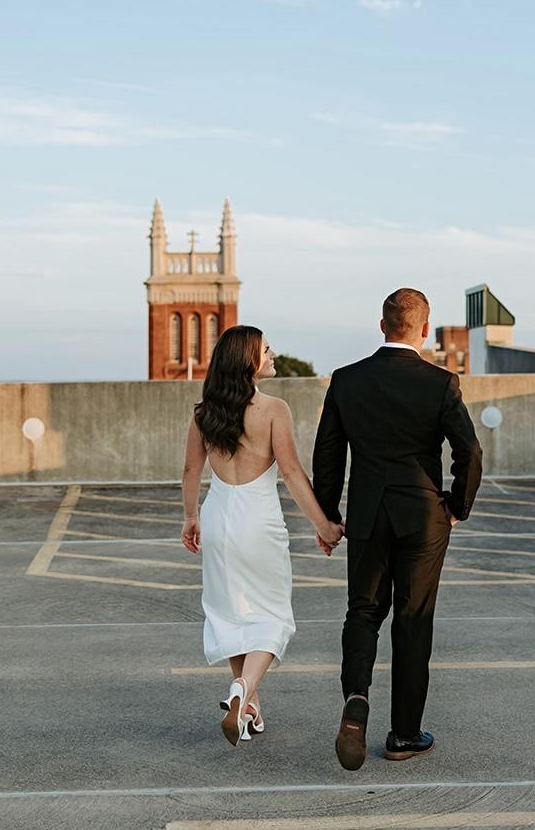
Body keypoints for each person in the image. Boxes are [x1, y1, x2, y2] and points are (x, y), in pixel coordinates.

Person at [313, 288, 482, 770]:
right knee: (413, 619)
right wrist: (457, 507)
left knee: (363, 611)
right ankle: (404, 735)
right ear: (425, 329)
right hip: (422, 517)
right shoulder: (440, 383)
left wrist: (329, 515)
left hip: (368, 514)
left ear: (382, 325)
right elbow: (470, 452)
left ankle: (356, 697)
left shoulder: (347, 380)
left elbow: (328, 455)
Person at [180, 324, 345, 746]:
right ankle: (242, 688)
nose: (273, 354)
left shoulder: (204, 412)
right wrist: (324, 525)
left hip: (218, 516)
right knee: (272, 614)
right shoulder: (273, 409)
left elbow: (191, 470)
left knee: (232, 613)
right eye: (266, 349)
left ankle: (248, 705)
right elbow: (291, 472)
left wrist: (190, 517)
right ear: (247, 360)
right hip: (259, 519)